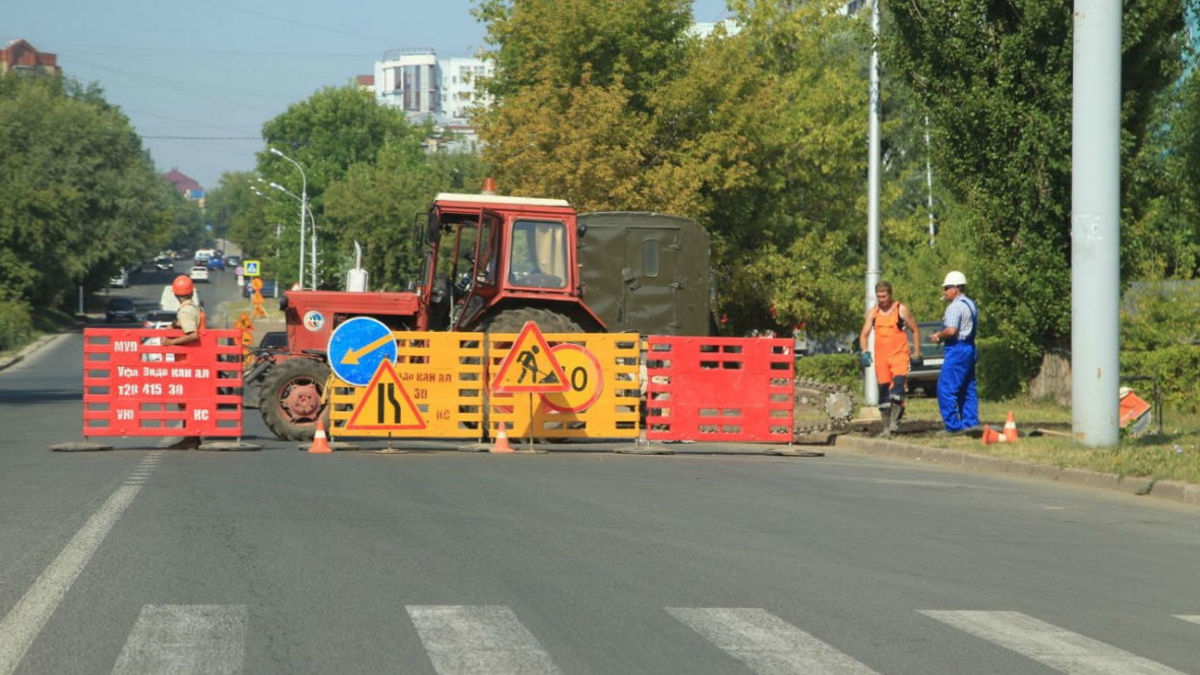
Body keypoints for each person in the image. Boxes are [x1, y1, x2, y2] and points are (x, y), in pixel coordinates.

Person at [859, 281, 919, 436]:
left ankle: (894, 423)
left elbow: (915, 330)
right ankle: (886, 427)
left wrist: (916, 353)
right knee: (884, 394)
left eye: (884, 296)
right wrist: (865, 351)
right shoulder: (873, 313)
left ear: (890, 295)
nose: (881, 299)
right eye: (879, 296)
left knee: (897, 389)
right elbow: (864, 335)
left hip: (900, 356)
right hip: (882, 359)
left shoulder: (901, 309)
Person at [929, 270, 979, 433]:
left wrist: (938, 335)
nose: (944, 292)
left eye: (947, 288)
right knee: (967, 388)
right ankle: (970, 424)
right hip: (970, 348)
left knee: (945, 388)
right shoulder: (970, 304)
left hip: (957, 349)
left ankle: (952, 427)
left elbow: (951, 331)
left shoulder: (954, 307)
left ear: (956, 288)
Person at [160, 275, 206, 449]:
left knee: (185, 399)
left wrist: (170, 342)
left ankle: (191, 437)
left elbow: (192, 334)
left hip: (188, 361)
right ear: (191, 291)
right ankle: (192, 436)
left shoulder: (185, 310)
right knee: (188, 399)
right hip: (194, 360)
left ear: (174, 293)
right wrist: (175, 326)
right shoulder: (194, 307)